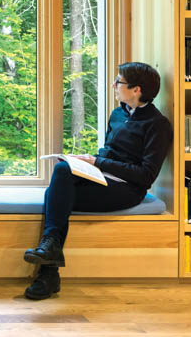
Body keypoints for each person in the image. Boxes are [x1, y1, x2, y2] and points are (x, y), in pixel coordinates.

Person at [22, 61, 173, 300]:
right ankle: (49, 259)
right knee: (62, 173)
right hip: (102, 178)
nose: (114, 85)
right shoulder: (118, 113)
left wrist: (97, 162)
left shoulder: (158, 125)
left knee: (56, 196)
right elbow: (109, 152)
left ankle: (49, 272)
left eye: (119, 81)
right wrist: (85, 164)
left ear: (137, 90)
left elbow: (146, 175)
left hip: (127, 190)